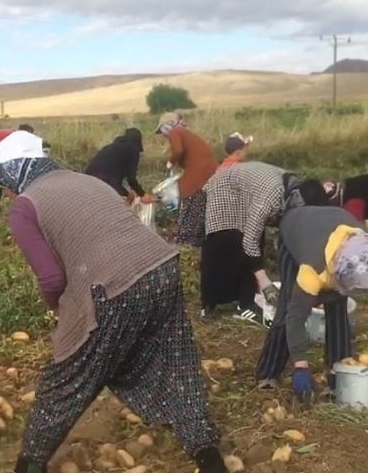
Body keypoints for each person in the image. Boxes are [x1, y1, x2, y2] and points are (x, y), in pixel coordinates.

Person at [0, 130, 236, 473]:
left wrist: (65, 312)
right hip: (161, 267)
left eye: (2, 181)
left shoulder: (26, 206)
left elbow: (52, 278)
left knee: (66, 381)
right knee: (175, 364)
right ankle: (212, 464)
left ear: (13, 172)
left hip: (114, 287)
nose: (4, 192)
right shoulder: (87, 181)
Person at [254, 201, 368, 397]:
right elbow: (295, 317)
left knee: (338, 309)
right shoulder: (312, 269)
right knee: (288, 307)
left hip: (332, 224)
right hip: (296, 228)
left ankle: (337, 380)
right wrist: (301, 365)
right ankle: (268, 373)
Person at [200, 161, 329, 326]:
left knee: (254, 242)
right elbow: (249, 241)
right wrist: (265, 283)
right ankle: (210, 305)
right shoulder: (271, 196)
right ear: (297, 201)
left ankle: (245, 301)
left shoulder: (297, 191)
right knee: (224, 242)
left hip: (249, 189)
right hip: (225, 187)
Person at [157, 112, 218, 247]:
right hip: (208, 171)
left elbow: (178, 151)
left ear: (166, 126)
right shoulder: (185, 133)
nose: (164, 135)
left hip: (200, 172)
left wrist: (171, 163)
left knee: (188, 196)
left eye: (162, 131)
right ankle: (199, 240)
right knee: (200, 203)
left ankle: (186, 242)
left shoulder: (175, 132)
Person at [84, 127, 150, 204]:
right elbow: (131, 179)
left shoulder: (109, 147)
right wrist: (142, 194)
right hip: (104, 182)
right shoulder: (133, 149)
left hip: (86, 181)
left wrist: (126, 193)